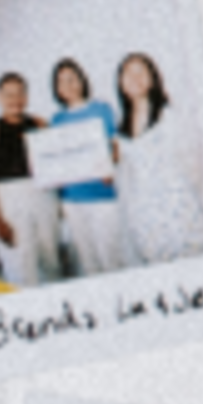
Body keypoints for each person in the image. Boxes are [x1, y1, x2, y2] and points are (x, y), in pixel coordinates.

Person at [113, 51, 203, 268]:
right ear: (121, 84)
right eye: (128, 74)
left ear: (153, 78)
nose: (135, 78)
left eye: (141, 71)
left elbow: (195, 165)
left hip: (179, 210)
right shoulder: (119, 130)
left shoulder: (170, 116)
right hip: (145, 217)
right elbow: (126, 178)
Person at [0, 74, 59, 291]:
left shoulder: (40, 124)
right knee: (21, 267)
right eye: (9, 94)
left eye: (20, 93)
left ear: (27, 97)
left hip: (44, 198)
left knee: (52, 262)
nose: (15, 99)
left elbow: (58, 165)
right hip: (10, 202)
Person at [49, 58, 124, 279]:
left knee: (111, 258)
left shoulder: (102, 109)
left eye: (72, 79)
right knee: (88, 261)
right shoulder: (56, 119)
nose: (68, 85)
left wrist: (111, 166)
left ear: (82, 80)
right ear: (56, 89)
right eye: (61, 82)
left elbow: (115, 147)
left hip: (102, 194)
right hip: (71, 200)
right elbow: (56, 161)